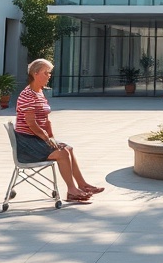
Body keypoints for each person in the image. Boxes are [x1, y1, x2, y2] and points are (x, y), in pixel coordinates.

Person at [14, 58, 105, 203]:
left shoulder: (39, 92)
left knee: (68, 148)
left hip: (37, 139)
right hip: (28, 144)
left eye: (49, 73)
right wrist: (46, 138)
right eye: (46, 73)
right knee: (62, 154)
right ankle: (72, 191)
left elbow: (45, 120)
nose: (49, 75)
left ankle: (83, 185)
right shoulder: (28, 95)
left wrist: (52, 138)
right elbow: (31, 123)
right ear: (35, 74)